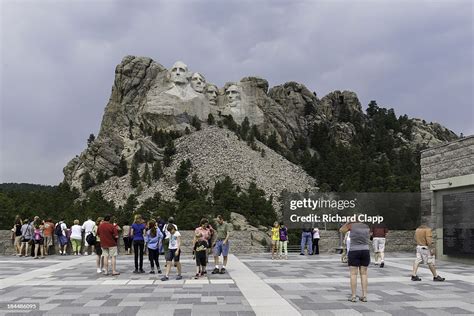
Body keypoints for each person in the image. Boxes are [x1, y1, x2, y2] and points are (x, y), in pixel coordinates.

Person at [340, 219, 370, 303]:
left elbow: (341, 230)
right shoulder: (366, 227)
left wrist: (347, 222)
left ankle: (353, 296)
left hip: (354, 251)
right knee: (364, 274)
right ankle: (364, 296)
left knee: (353, 274)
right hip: (365, 250)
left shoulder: (351, 226)